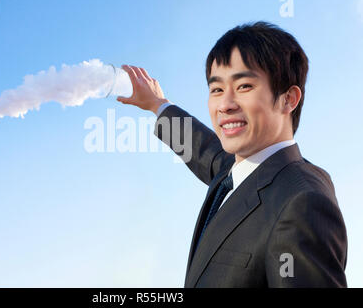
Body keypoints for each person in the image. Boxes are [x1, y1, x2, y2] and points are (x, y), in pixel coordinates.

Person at [116, 21, 347, 287]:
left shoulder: (302, 203)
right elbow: (205, 150)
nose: (225, 105)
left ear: (288, 99)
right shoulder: (239, 171)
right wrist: (157, 105)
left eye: (244, 86)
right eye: (217, 89)